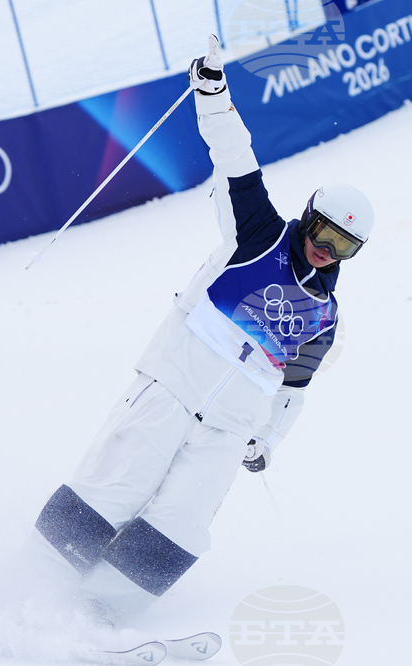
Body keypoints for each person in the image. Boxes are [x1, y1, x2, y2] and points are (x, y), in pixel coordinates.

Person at [30, 35, 375, 622]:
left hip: (229, 429)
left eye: (343, 247)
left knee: (182, 524)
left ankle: (101, 618)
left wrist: (267, 441)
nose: (325, 250)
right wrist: (214, 95)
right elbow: (236, 157)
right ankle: (30, 586)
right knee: (114, 487)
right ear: (309, 217)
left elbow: (293, 388)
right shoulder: (258, 234)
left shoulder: (324, 314)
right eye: (323, 233)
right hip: (171, 388)